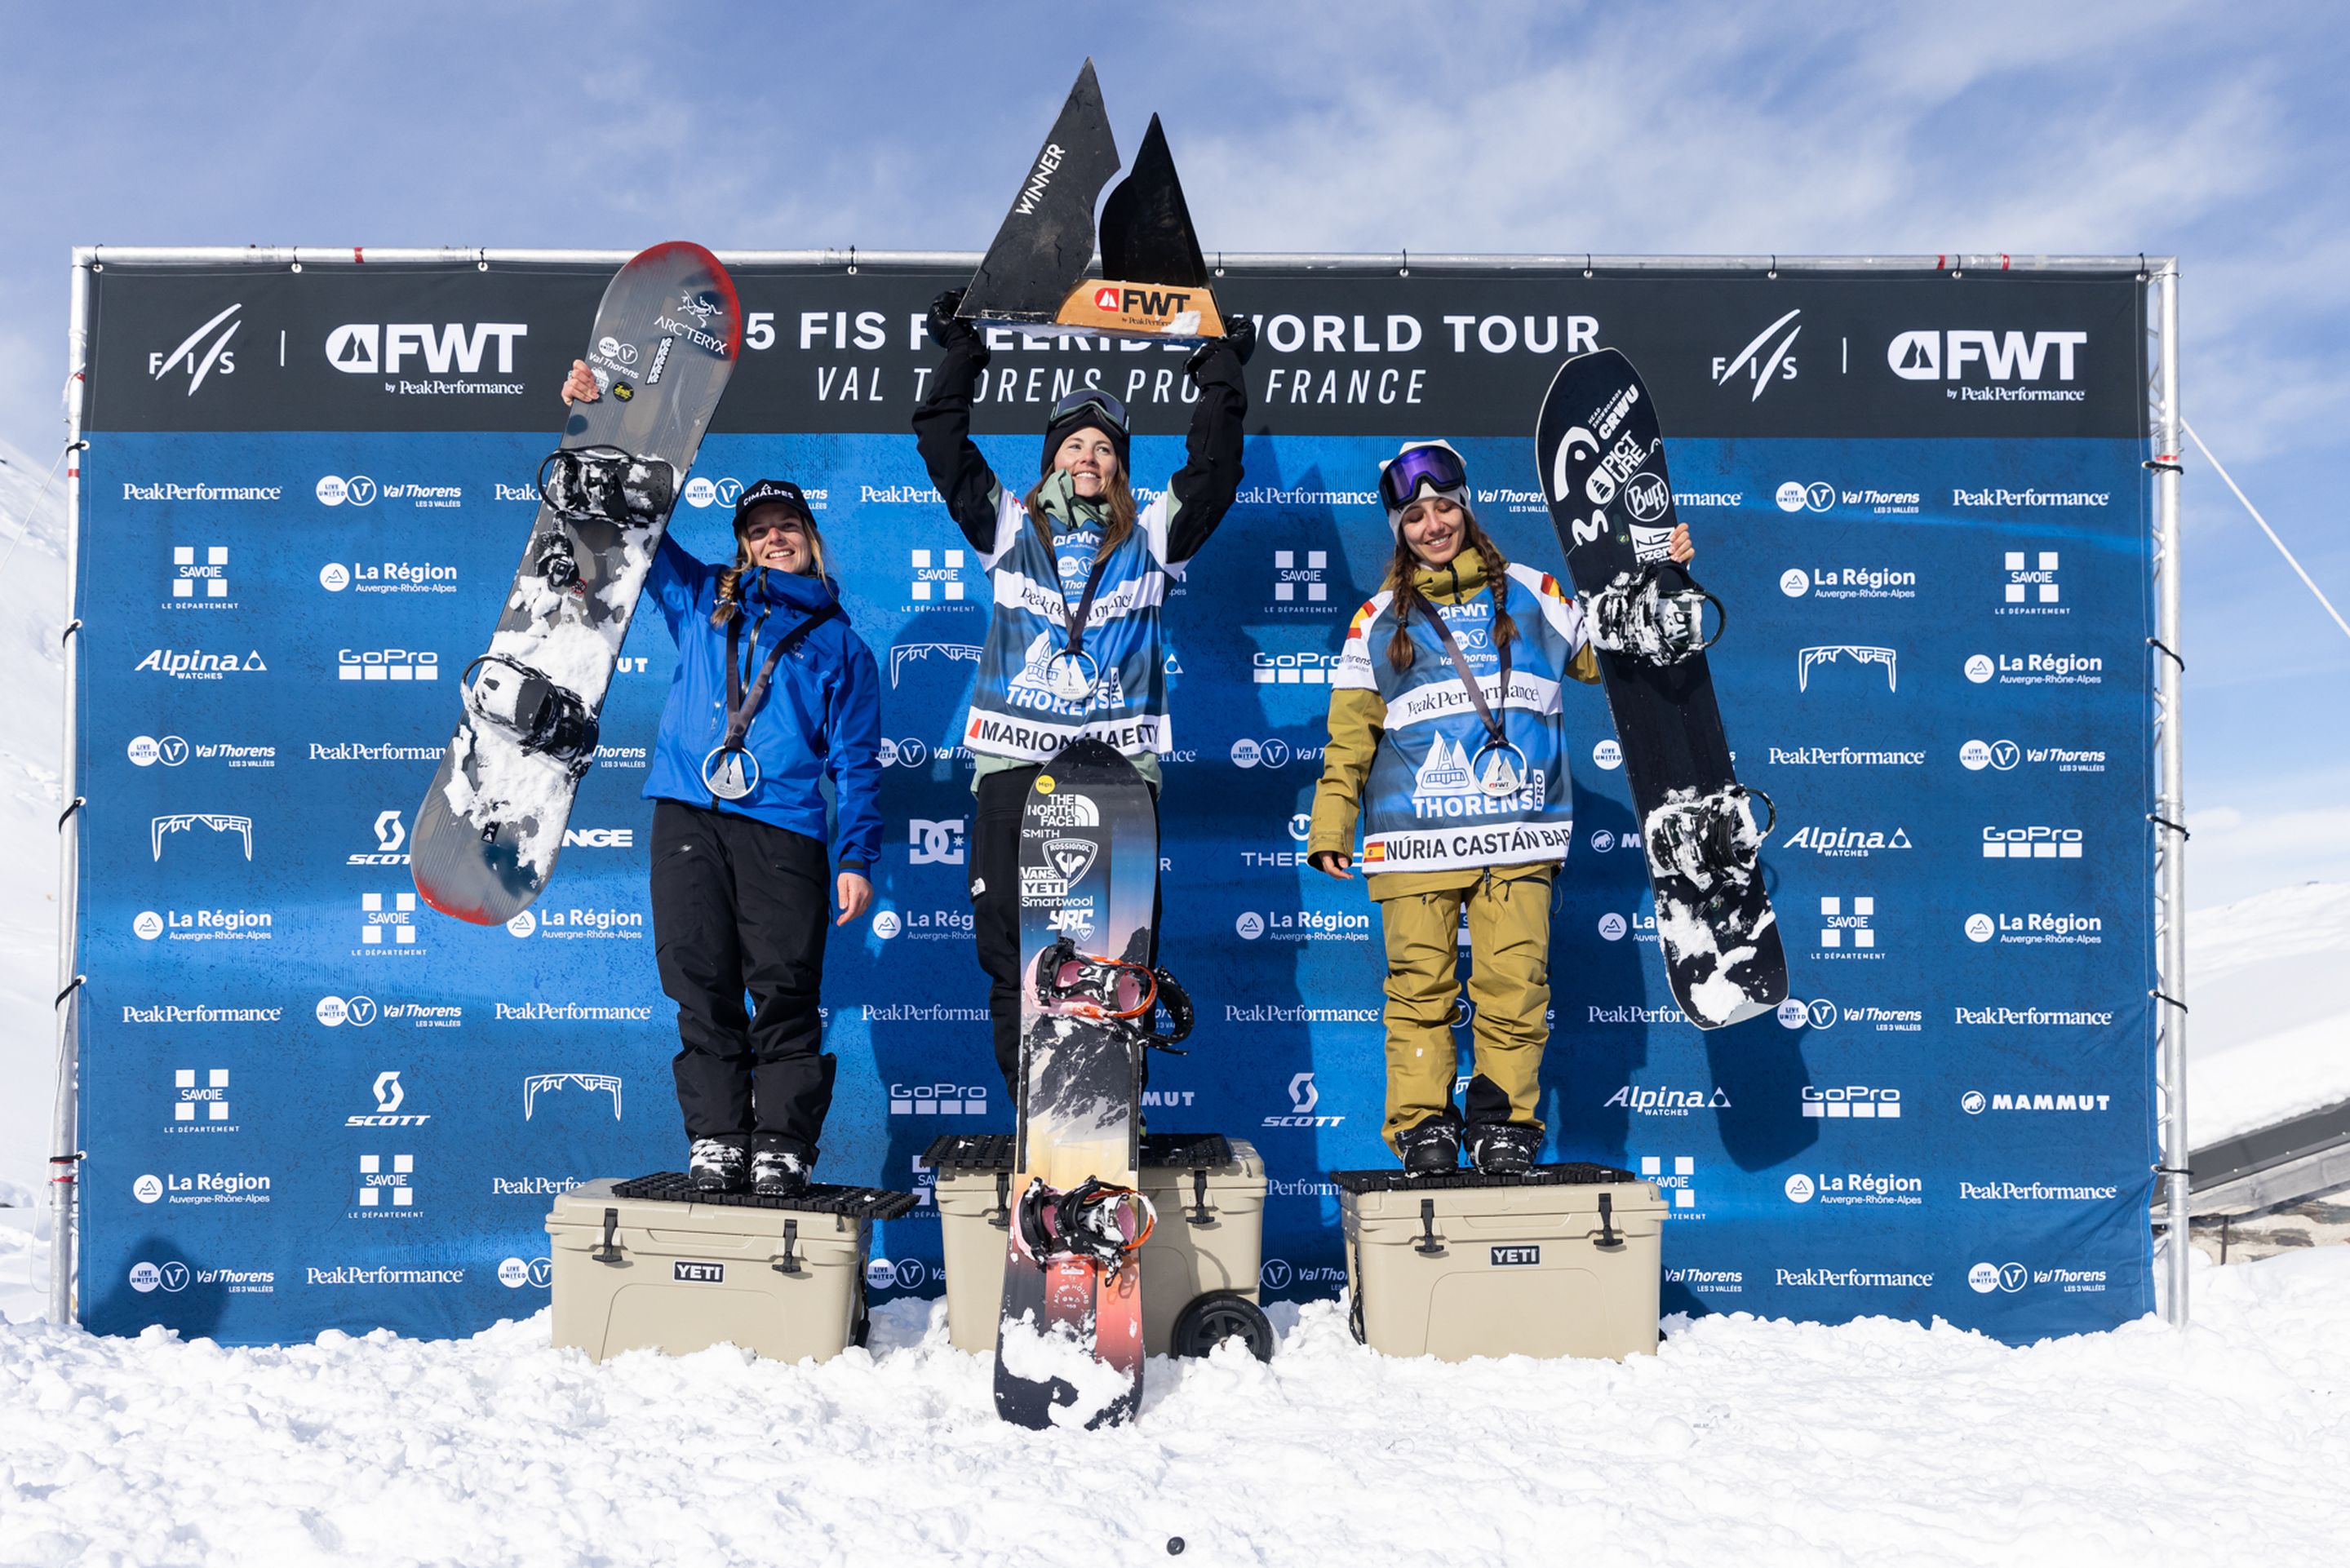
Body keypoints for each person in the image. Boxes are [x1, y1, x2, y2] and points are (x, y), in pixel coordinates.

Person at [1306, 441, 1695, 1176]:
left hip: (1517, 837)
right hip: (1413, 842)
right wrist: (1331, 825)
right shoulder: (1377, 619)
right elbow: (1349, 739)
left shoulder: (1530, 591)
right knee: (1419, 992)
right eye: (1414, 516)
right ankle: (1423, 1127)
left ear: (1467, 509)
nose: (1432, 525)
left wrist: (1664, 573)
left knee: (1514, 989)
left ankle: (1505, 1125)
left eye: (1444, 507)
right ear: (1399, 530)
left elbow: (1613, 650)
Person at [911, 292, 1252, 1100]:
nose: (1089, 457)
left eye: (1105, 446)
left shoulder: (1152, 534)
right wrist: (964, 352)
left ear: (1121, 464)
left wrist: (1220, 370)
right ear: (1052, 456)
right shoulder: (1008, 523)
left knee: (1115, 950)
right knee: (1013, 953)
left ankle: (1103, 1109)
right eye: (1074, 444)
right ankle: (1034, 1113)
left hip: (1116, 772)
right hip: (1014, 761)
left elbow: (1215, 471)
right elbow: (941, 440)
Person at [558, 361, 881, 1196]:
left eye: (788, 526)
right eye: (759, 528)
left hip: (785, 826)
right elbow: (639, 536)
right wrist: (598, 423)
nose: (774, 537)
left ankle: (782, 1141)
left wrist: (856, 857)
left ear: (811, 539)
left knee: (784, 989)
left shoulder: (841, 644)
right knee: (697, 980)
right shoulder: (705, 596)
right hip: (688, 814)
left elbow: (856, 760)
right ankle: (717, 1137)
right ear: (742, 542)